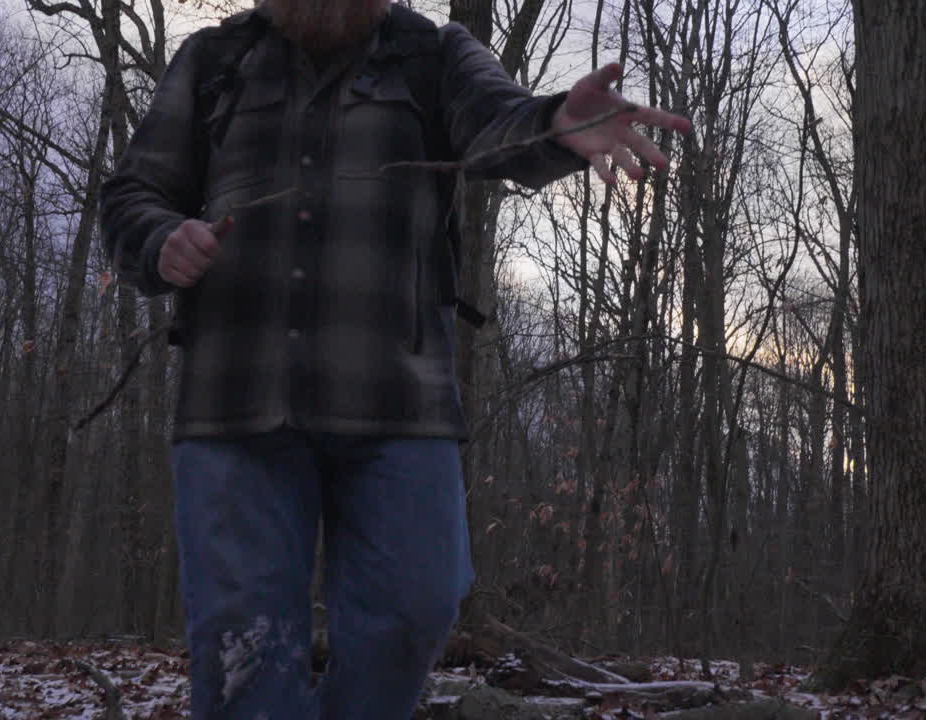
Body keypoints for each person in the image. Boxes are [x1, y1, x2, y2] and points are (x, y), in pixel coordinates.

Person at [99, 0, 690, 717]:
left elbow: (499, 124)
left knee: (416, 609)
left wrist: (555, 123)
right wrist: (161, 238)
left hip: (398, 402)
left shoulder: (434, 54)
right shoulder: (213, 63)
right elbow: (134, 191)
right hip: (235, 404)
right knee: (243, 650)